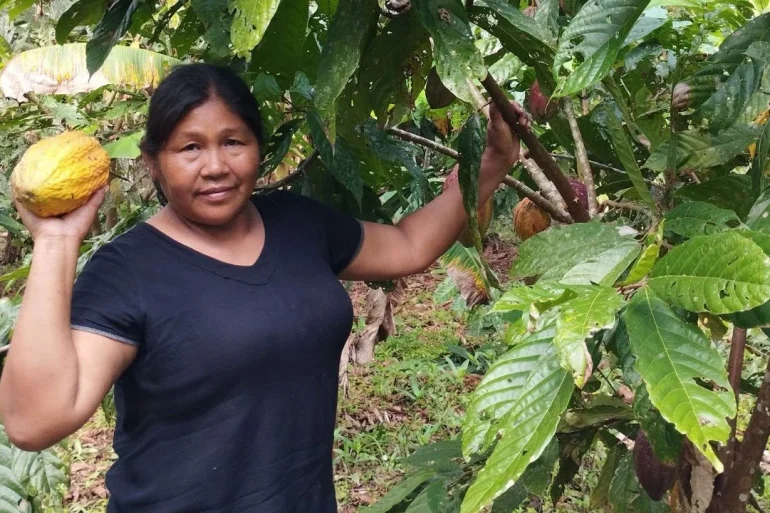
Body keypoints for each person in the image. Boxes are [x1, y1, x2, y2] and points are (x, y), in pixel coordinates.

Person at [0, 63, 529, 512]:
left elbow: (409, 246)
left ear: (258, 147)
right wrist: (55, 240)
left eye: (233, 142)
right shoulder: (128, 270)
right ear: (152, 162)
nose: (215, 166)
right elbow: (36, 420)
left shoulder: (296, 223)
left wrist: (490, 166)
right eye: (189, 148)